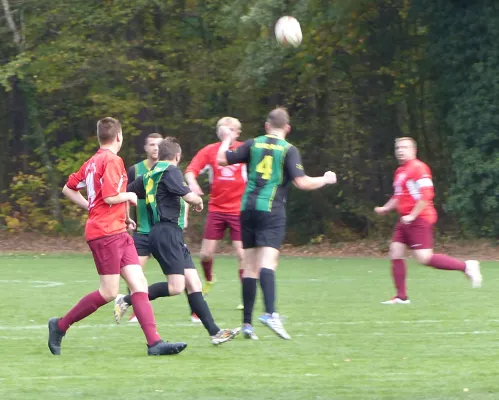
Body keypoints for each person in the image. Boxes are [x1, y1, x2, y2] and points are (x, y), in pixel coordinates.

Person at [48, 117, 187, 356]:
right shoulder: (112, 160)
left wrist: (121, 217)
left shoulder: (92, 162)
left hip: (118, 231)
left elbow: (68, 188)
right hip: (104, 234)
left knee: (139, 284)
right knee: (108, 292)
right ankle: (59, 326)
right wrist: (129, 198)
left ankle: (154, 343)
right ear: (119, 137)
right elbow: (112, 196)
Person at [216, 108, 337, 340]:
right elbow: (302, 182)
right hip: (271, 211)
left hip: (247, 209)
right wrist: (325, 179)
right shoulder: (288, 149)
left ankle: (247, 324)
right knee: (268, 263)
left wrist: (227, 139)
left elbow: (222, 159)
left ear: (266, 126)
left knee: (250, 267)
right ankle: (271, 313)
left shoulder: (253, 144)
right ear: (288, 128)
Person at [114, 137, 240, 346]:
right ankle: (126, 299)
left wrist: (125, 217)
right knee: (175, 287)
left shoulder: (148, 175)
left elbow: (125, 192)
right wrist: (199, 201)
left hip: (165, 232)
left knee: (194, 283)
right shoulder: (170, 171)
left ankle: (215, 333)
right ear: (177, 156)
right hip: (166, 232)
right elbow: (189, 197)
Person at [374, 137, 482, 304]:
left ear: (413, 150)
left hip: (420, 218)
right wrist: (386, 208)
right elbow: (398, 196)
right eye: (398, 148)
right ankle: (401, 297)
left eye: (404, 147)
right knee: (395, 252)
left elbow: (426, 195)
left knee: (424, 258)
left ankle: (467, 266)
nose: (400, 150)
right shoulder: (399, 172)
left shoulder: (419, 168)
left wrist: (412, 215)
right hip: (405, 220)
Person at [184, 117, 247, 315]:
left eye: (230, 129)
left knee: (242, 254)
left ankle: (246, 295)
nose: (225, 132)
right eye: (222, 129)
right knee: (205, 254)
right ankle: (209, 280)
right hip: (217, 209)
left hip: (239, 210)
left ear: (237, 132)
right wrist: (193, 183)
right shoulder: (210, 150)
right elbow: (190, 171)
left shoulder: (244, 149)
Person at [125, 132, 164, 323]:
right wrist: (126, 218)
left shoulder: (169, 168)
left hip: (164, 231)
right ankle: (135, 311)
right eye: (152, 144)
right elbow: (125, 194)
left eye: (159, 145)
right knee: (133, 274)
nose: (155, 148)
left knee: (183, 273)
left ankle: (195, 311)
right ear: (145, 148)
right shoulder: (135, 170)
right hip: (142, 231)